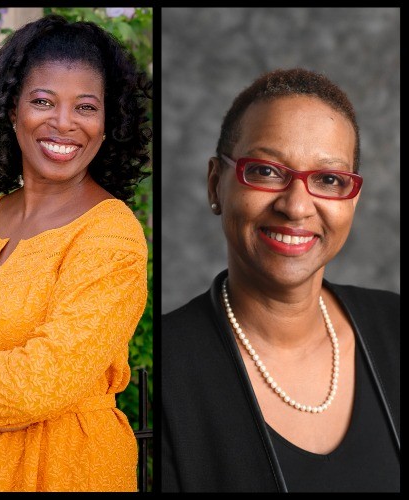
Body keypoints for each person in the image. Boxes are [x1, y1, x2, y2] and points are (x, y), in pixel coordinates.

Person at [0, 14, 152, 492]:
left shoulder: (112, 238)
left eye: (85, 107)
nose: (63, 123)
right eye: (43, 101)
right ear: (11, 111)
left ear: (108, 124)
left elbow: (32, 387)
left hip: (62, 473)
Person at [161, 68, 400, 492]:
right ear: (217, 183)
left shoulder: (395, 326)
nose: (296, 206)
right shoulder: (169, 369)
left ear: (352, 200)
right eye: (267, 171)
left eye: (329, 179)